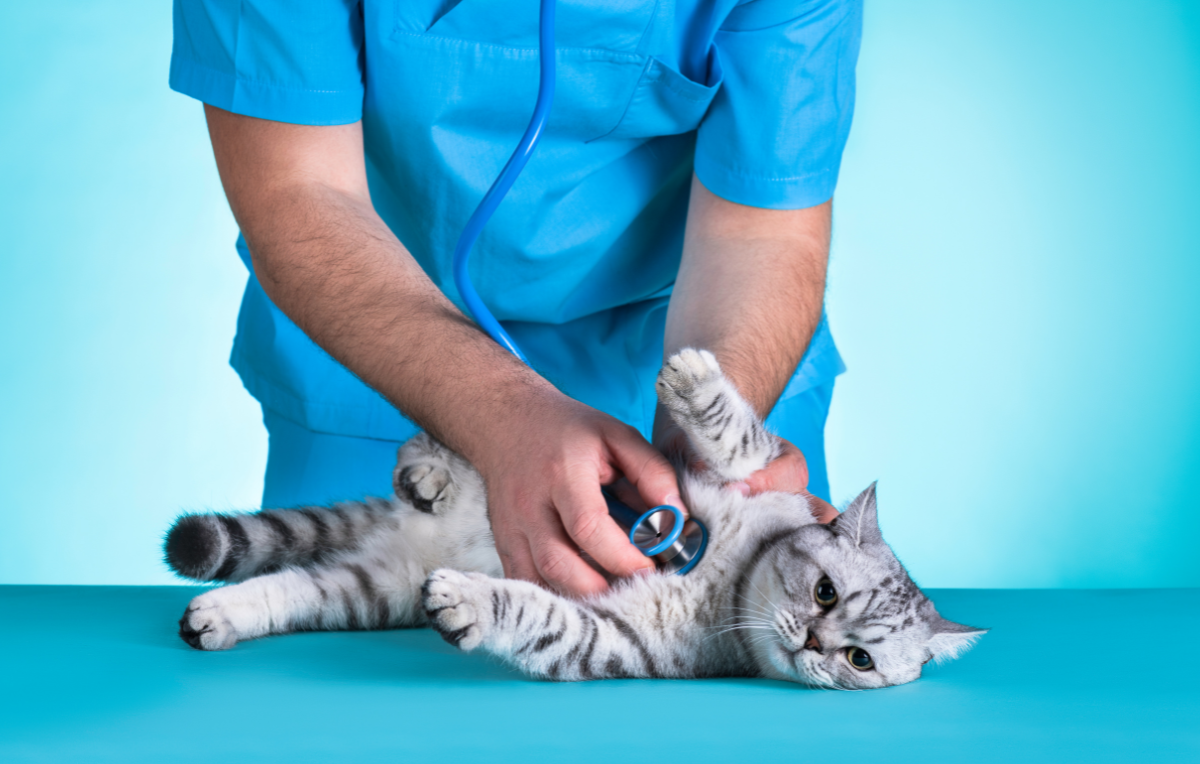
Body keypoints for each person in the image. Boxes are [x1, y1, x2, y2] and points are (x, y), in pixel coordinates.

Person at [170, 0, 862, 597]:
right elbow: (297, 192)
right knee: (354, 670)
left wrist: (709, 443)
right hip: (378, 368)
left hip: (684, 356)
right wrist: (502, 414)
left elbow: (760, 231)